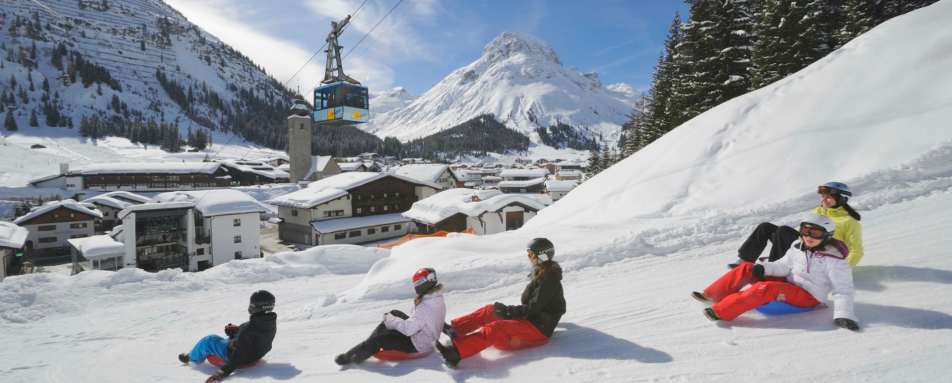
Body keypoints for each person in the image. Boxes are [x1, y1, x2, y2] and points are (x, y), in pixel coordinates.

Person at [693, 215, 860, 331]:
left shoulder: (834, 260)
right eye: (805, 231)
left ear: (827, 235)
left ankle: (721, 311)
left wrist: (844, 315)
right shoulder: (798, 246)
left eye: (815, 233)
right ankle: (713, 295)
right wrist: (764, 268)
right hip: (790, 283)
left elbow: (843, 289)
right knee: (748, 267)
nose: (808, 236)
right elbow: (783, 265)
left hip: (809, 296)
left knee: (766, 288)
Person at [435, 238, 566, 368]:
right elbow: (543, 305)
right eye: (528, 253)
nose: (529, 257)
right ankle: (455, 330)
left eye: (531, 254)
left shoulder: (549, 278)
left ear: (542, 255)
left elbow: (533, 308)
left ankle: (455, 353)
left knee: (497, 328)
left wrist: (507, 311)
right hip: (531, 320)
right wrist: (504, 311)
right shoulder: (541, 271)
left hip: (538, 329)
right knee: (490, 310)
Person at [729, 181, 864, 267]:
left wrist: (841, 269)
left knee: (783, 231)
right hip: (804, 245)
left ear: (841, 199)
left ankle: (773, 268)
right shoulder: (818, 211)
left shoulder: (849, 222)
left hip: (818, 255)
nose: (824, 199)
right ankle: (744, 261)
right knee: (765, 227)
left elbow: (856, 251)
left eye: (828, 196)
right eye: (823, 196)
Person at [335, 267, 446, 366]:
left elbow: (409, 330)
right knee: (395, 313)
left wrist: (391, 322)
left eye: (417, 283)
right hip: (425, 337)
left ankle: (353, 356)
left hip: (417, 345)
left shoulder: (425, 306)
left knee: (379, 338)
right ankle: (369, 343)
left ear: (423, 283)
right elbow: (431, 319)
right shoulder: (436, 298)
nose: (415, 286)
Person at [178, 290, 277, 382]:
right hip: (253, 354)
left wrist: (221, 373)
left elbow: (239, 354)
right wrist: (236, 331)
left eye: (252, 304)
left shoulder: (248, 329)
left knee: (209, 340)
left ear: (257, 307)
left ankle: (191, 358)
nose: (250, 307)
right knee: (224, 340)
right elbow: (252, 336)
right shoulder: (269, 322)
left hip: (236, 356)